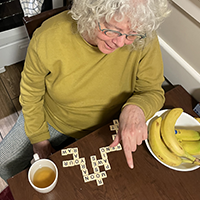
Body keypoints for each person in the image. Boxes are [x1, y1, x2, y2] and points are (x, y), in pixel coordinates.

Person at [0, 0, 171, 182]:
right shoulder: (49, 36)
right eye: (111, 30)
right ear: (91, 13)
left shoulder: (144, 36)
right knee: (4, 163)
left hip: (109, 124)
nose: (121, 42)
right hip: (54, 118)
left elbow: (152, 90)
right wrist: (39, 139)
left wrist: (136, 107)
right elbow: (30, 92)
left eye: (131, 35)